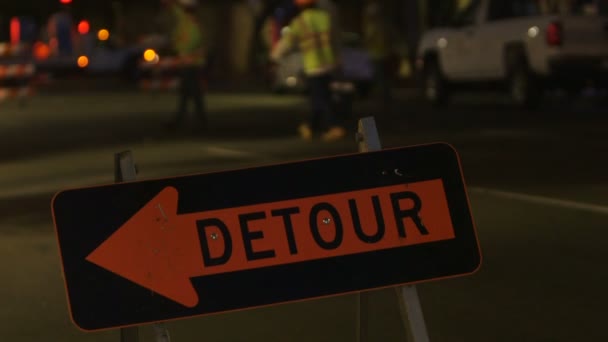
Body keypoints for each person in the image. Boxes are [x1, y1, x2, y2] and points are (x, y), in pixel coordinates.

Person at [270, 0, 346, 142]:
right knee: (321, 97)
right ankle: (310, 126)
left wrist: (274, 57)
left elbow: (286, 42)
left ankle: (334, 127)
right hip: (328, 64)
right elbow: (336, 39)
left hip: (314, 66)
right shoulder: (325, 17)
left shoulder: (300, 22)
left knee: (321, 99)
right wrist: (339, 60)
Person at [162, 0, 208, 131]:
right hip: (188, 63)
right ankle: (195, 121)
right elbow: (173, 7)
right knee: (190, 93)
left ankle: (189, 121)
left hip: (192, 64)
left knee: (191, 93)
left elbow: (201, 48)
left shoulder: (193, 26)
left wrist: (189, 57)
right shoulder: (188, 22)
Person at [362, 0, 395, 110]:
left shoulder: (373, 26)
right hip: (383, 54)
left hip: (377, 55)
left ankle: (383, 99)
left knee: (380, 78)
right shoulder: (383, 25)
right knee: (384, 78)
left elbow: (369, 39)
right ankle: (386, 98)